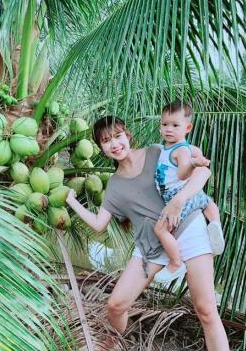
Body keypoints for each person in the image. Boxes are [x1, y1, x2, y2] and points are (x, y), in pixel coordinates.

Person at [65, 116, 229, 350]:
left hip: (188, 229)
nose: (114, 144)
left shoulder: (155, 153)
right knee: (115, 305)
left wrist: (178, 201)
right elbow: (100, 224)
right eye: (106, 141)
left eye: (118, 136)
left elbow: (202, 171)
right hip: (151, 246)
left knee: (206, 310)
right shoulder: (113, 186)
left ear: (128, 135)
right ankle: (112, 344)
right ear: (100, 148)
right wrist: (72, 202)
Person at [152, 100, 225, 283]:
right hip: (190, 194)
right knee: (207, 203)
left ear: (188, 127)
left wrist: (192, 163)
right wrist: (198, 156)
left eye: (175, 125)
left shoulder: (180, 151)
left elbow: (183, 174)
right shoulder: (176, 147)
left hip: (177, 197)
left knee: (160, 230)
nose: (169, 129)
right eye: (165, 124)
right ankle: (215, 224)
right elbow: (193, 151)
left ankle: (176, 263)